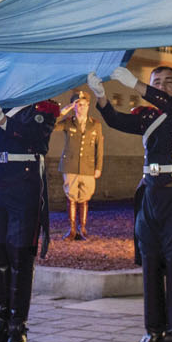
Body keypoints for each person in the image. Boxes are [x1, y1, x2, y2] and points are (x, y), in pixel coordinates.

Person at [90, 64, 172, 342]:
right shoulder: (149, 117)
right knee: (151, 265)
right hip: (151, 194)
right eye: (158, 82)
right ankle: (152, 333)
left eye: (169, 82)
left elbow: (169, 107)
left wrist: (139, 86)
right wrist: (101, 97)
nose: (163, 86)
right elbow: (115, 121)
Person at [0, 97, 59, 342]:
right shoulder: (0, 102)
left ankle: (17, 324)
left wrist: (3, 121)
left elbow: (37, 139)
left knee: (20, 255)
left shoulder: (43, 105)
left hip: (24, 181)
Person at [52, 90, 103, 240]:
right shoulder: (68, 122)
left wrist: (98, 167)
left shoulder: (95, 125)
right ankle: (72, 230)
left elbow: (99, 147)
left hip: (88, 166)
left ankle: (83, 229)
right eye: (78, 105)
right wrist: (64, 110)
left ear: (88, 106)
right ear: (74, 107)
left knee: (85, 197)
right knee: (72, 197)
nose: (81, 108)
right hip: (70, 165)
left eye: (84, 105)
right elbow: (52, 125)